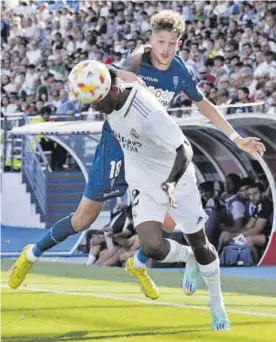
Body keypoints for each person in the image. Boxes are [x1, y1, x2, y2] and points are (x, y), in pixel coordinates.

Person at [9, 11, 265, 314]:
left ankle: (143, 264)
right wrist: (134, 58)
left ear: (179, 44)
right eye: (160, 42)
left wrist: (237, 139)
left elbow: (204, 105)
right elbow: (120, 74)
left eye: (171, 43)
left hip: (151, 155)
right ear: (150, 41)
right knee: (83, 220)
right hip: (117, 146)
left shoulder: (179, 71)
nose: (165, 49)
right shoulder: (137, 60)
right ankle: (33, 253)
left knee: (169, 224)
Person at [91, 63, 231, 330]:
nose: (95, 107)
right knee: (152, 246)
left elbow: (185, 149)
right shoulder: (110, 100)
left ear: (115, 89)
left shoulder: (148, 110)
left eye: (98, 100)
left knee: (202, 244)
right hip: (143, 183)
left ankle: (216, 301)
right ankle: (189, 256)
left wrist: (170, 182)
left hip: (177, 179)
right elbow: (120, 66)